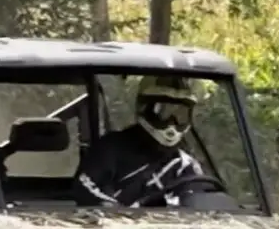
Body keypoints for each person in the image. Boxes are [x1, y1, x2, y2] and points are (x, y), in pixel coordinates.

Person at [73, 76, 205, 207]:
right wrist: (118, 214)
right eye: (163, 112)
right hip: (113, 226)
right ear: (144, 108)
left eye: (180, 115)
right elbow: (86, 189)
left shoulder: (186, 165)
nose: (172, 123)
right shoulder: (110, 149)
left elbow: (201, 208)